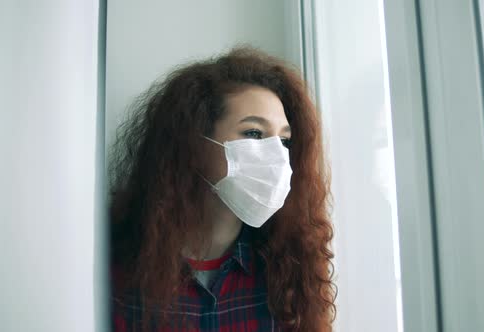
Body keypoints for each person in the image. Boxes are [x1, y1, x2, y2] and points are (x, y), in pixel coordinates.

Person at [108, 46, 336, 331]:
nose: (276, 154)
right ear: (195, 144)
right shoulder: (119, 267)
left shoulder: (290, 266)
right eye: (253, 133)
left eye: (285, 140)